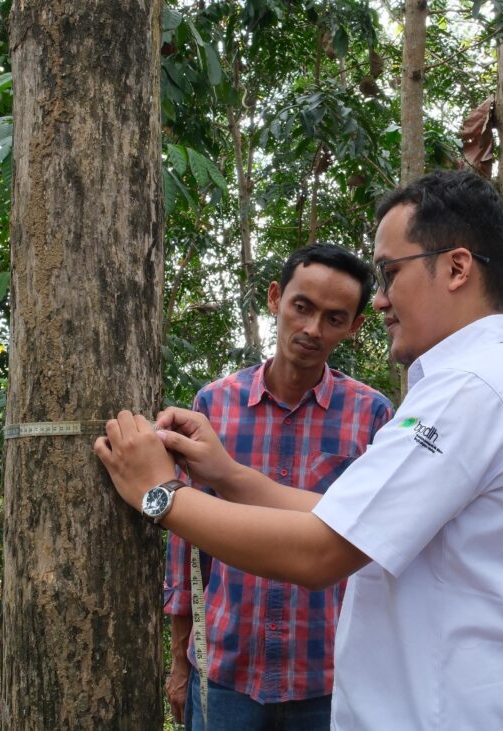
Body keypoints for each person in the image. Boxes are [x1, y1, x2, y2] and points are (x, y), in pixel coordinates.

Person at [95, 170, 503, 730]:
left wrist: (160, 495)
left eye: (391, 273)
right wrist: (227, 474)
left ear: (457, 267)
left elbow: (323, 552)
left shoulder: (473, 389)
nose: (387, 299)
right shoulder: (475, 383)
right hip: (257, 678)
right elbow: (348, 516)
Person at [164, 243, 393, 729]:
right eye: (302, 307)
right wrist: (180, 660)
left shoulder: (372, 415)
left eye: (334, 318)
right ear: (276, 299)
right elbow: (186, 543)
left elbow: (379, 544)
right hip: (227, 671)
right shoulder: (215, 405)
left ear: (354, 327)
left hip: (328, 677)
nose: (312, 329)